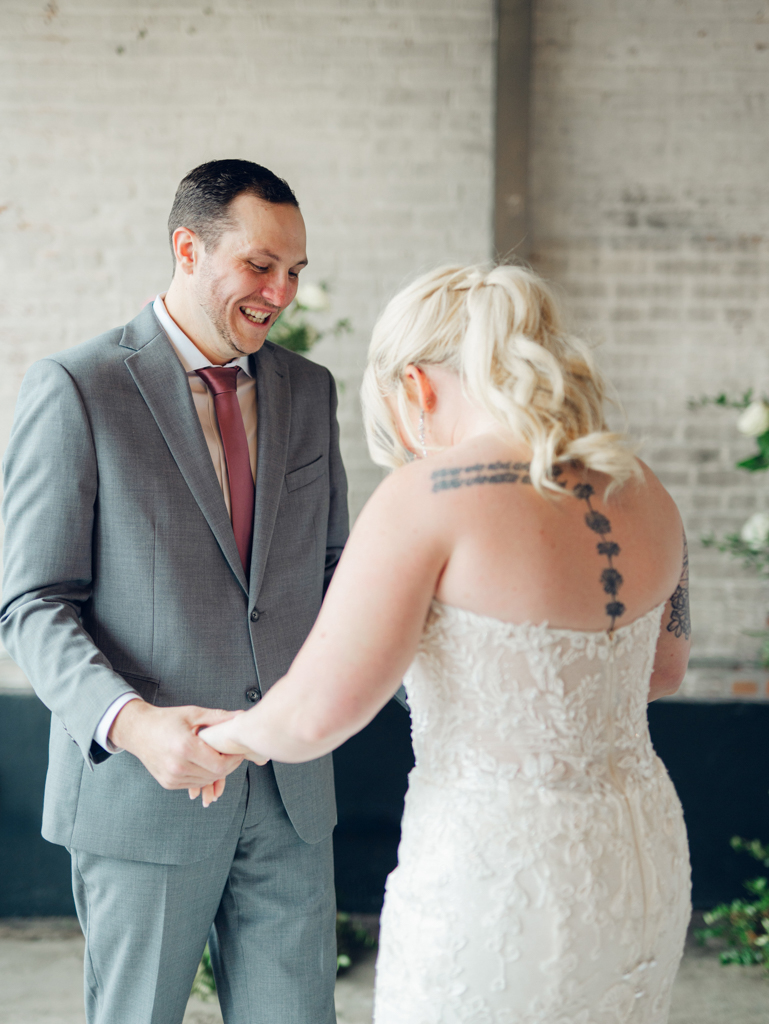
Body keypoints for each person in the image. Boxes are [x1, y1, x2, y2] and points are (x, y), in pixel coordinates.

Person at [201, 263, 692, 1023]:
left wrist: (222, 736)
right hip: (638, 856)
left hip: (496, 869)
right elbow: (662, 670)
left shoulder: (429, 498)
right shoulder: (644, 488)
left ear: (416, 386)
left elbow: (317, 715)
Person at [0, 159, 348, 1024]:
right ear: (186, 248)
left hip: (290, 794)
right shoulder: (76, 388)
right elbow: (33, 602)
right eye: (261, 265)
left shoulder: (310, 391)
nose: (282, 292)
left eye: (296, 271)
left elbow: (337, 571)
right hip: (143, 794)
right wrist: (134, 725)